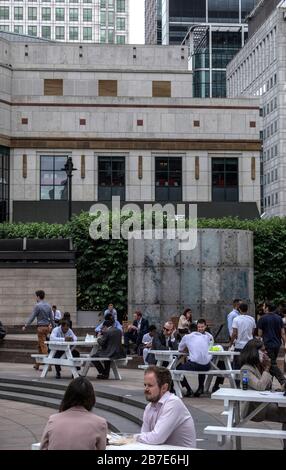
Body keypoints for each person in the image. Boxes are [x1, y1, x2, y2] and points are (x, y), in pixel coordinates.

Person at [240, 338, 286, 449]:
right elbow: (260, 386)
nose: (266, 353)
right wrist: (268, 368)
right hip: (255, 409)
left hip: (265, 404)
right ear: (254, 352)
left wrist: (281, 389)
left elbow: (268, 387)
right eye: (263, 350)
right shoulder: (246, 369)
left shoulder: (260, 367)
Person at [135, 366, 196, 447]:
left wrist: (133, 437)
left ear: (164, 387)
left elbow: (157, 437)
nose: (146, 389)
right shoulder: (149, 407)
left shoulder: (173, 403)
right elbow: (144, 437)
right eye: (145, 385)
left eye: (150, 385)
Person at [40, 376, 107, 450]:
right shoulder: (100, 423)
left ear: (67, 396)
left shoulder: (53, 419)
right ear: (92, 397)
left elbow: (43, 447)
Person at [177, 318, 213, 397]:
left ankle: (188, 389)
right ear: (196, 328)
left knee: (177, 369)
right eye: (199, 327)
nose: (200, 329)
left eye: (202, 327)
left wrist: (189, 348)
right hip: (207, 366)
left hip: (197, 365)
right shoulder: (207, 337)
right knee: (201, 361)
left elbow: (180, 349)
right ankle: (200, 388)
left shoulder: (187, 337)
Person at [22, 290, 54, 370]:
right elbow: (52, 318)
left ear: (38, 296)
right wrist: (53, 327)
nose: (35, 298)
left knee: (43, 346)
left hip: (40, 328)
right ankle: (37, 364)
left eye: (36, 296)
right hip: (47, 328)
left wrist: (26, 325)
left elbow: (32, 317)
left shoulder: (37, 306)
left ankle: (48, 365)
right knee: (40, 345)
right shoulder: (48, 305)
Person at [258, 302, 286, 387]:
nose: (263, 307)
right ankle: (269, 385)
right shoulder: (279, 318)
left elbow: (259, 333)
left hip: (267, 344)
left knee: (271, 364)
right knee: (271, 364)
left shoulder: (262, 318)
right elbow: (282, 333)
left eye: (264, 306)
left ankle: (283, 381)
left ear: (267, 308)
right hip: (277, 344)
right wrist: (285, 343)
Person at [229, 302, 256, 385]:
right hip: (249, 346)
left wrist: (231, 343)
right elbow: (252, 332)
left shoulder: (236, 319)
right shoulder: (252, 319)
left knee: (237, 366)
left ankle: (236, 384)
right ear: (247, 309)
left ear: (239, 309)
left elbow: (234, 333)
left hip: (239, 346)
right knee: (247, 366)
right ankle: (245, 383)